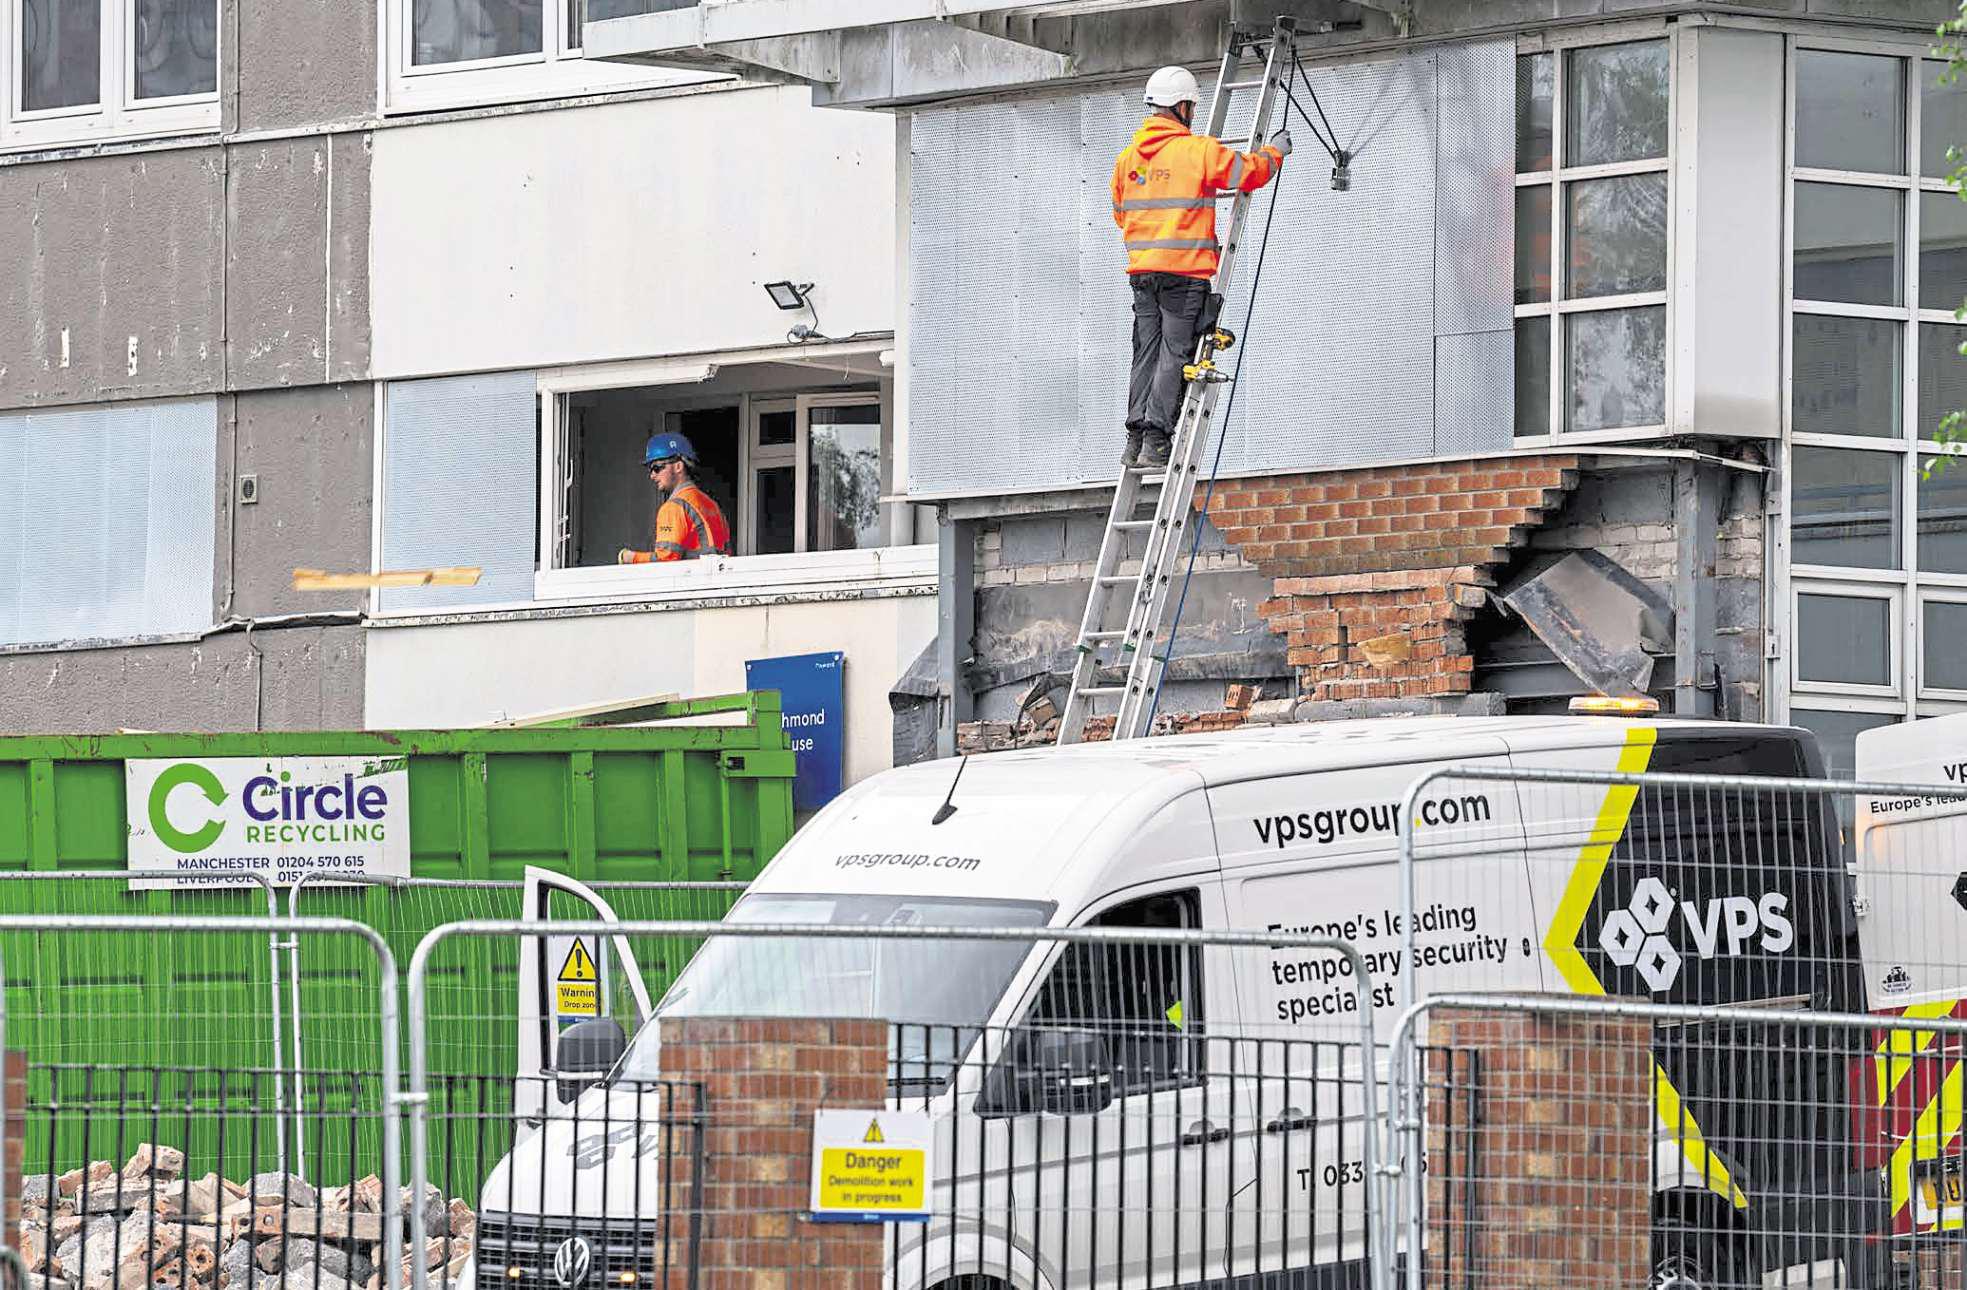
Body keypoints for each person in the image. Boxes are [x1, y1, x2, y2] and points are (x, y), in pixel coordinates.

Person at [1112, 66, 1291, 468]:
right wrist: (1276, 151)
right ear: (1183, 106)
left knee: (1146, 353)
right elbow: (1249, 173)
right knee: (1175, 353)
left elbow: (1122, 215)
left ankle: (1135, 438)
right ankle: (1157, 439)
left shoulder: (1127, 161)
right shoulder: (1198, 151)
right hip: (1184, 274)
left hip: (1142, 275)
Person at [616, 431, 732, 563]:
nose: (652, 476)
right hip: (714, 581)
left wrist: (629, 557)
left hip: (689, 581)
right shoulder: (712, 505)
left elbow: (666, 559)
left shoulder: (674, 507)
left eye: (657, 468)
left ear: (678, 466)